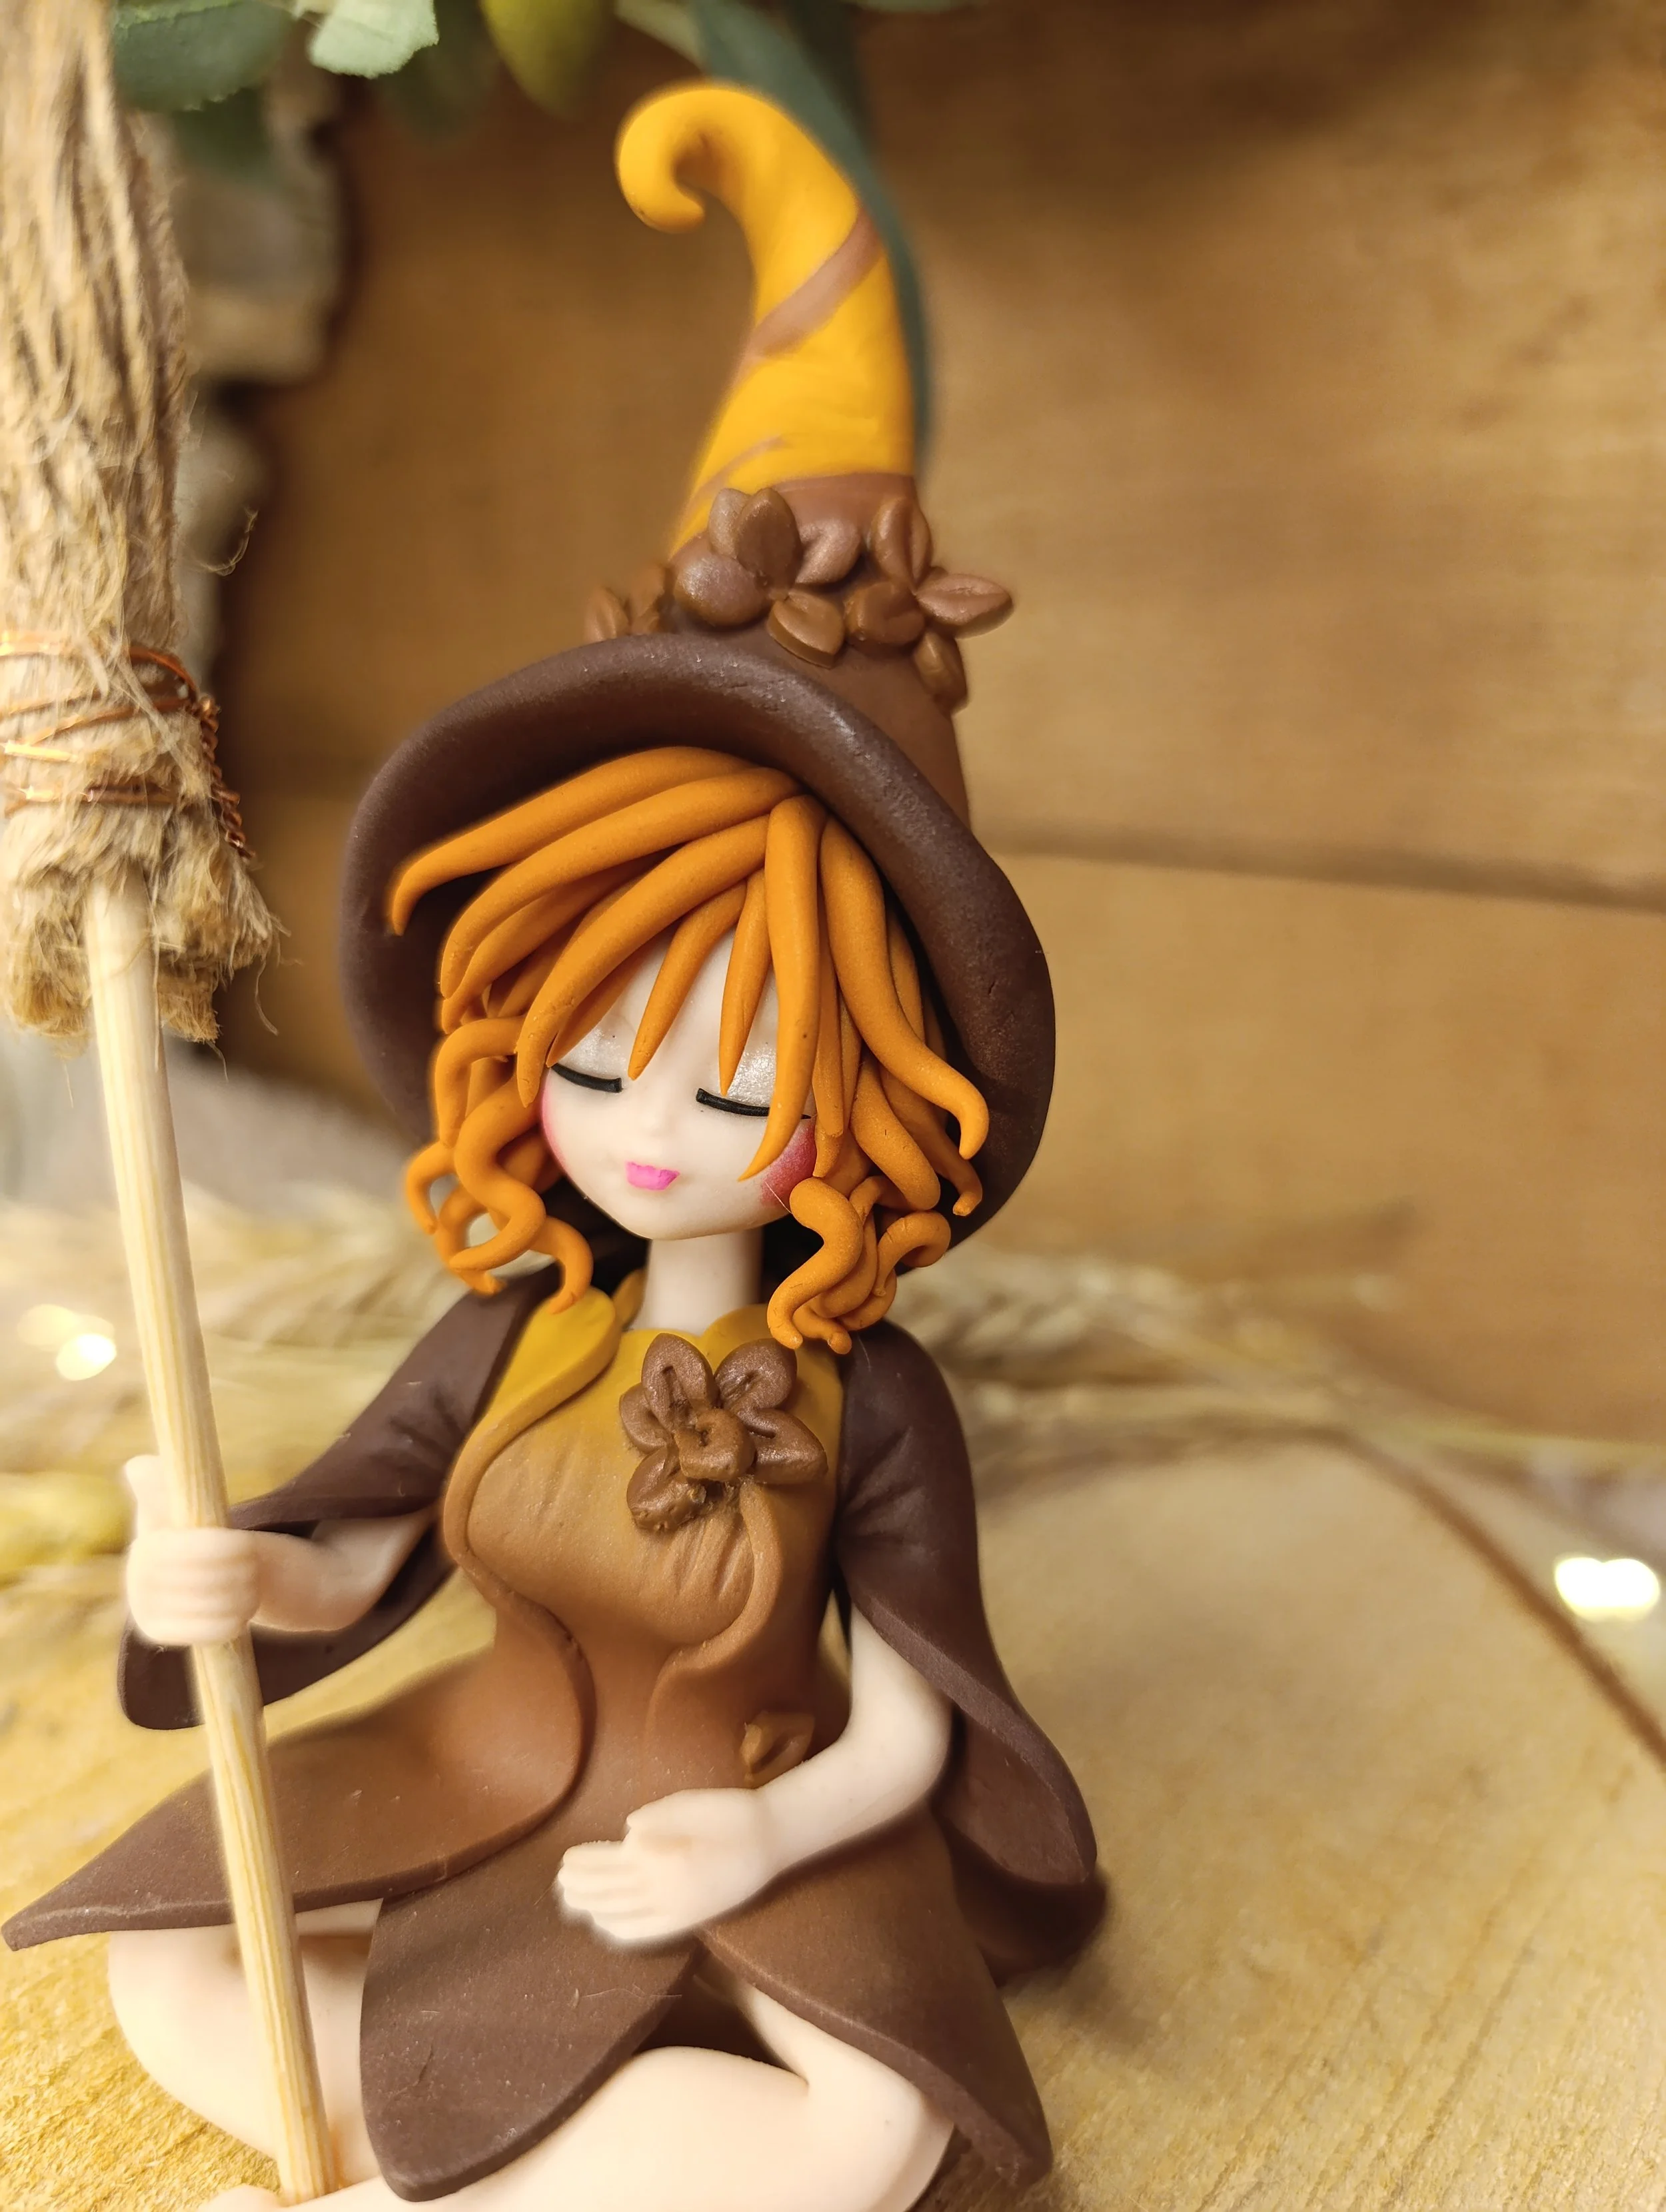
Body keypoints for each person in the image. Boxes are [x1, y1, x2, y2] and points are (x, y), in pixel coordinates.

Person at [5, 83, 1101, 2212]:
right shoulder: (508, 1336)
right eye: (601, 1069)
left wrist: (761, 1833)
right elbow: (361, 1553)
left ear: (871, 1104)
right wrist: (226, 1574)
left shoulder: (869, 1406)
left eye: (739, 1088)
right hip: (477, 1766)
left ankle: (402, 2189)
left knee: (873, 2141)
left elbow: (909, 1717)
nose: (655, 1133)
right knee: (175, 1959)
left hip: (750, 1824)